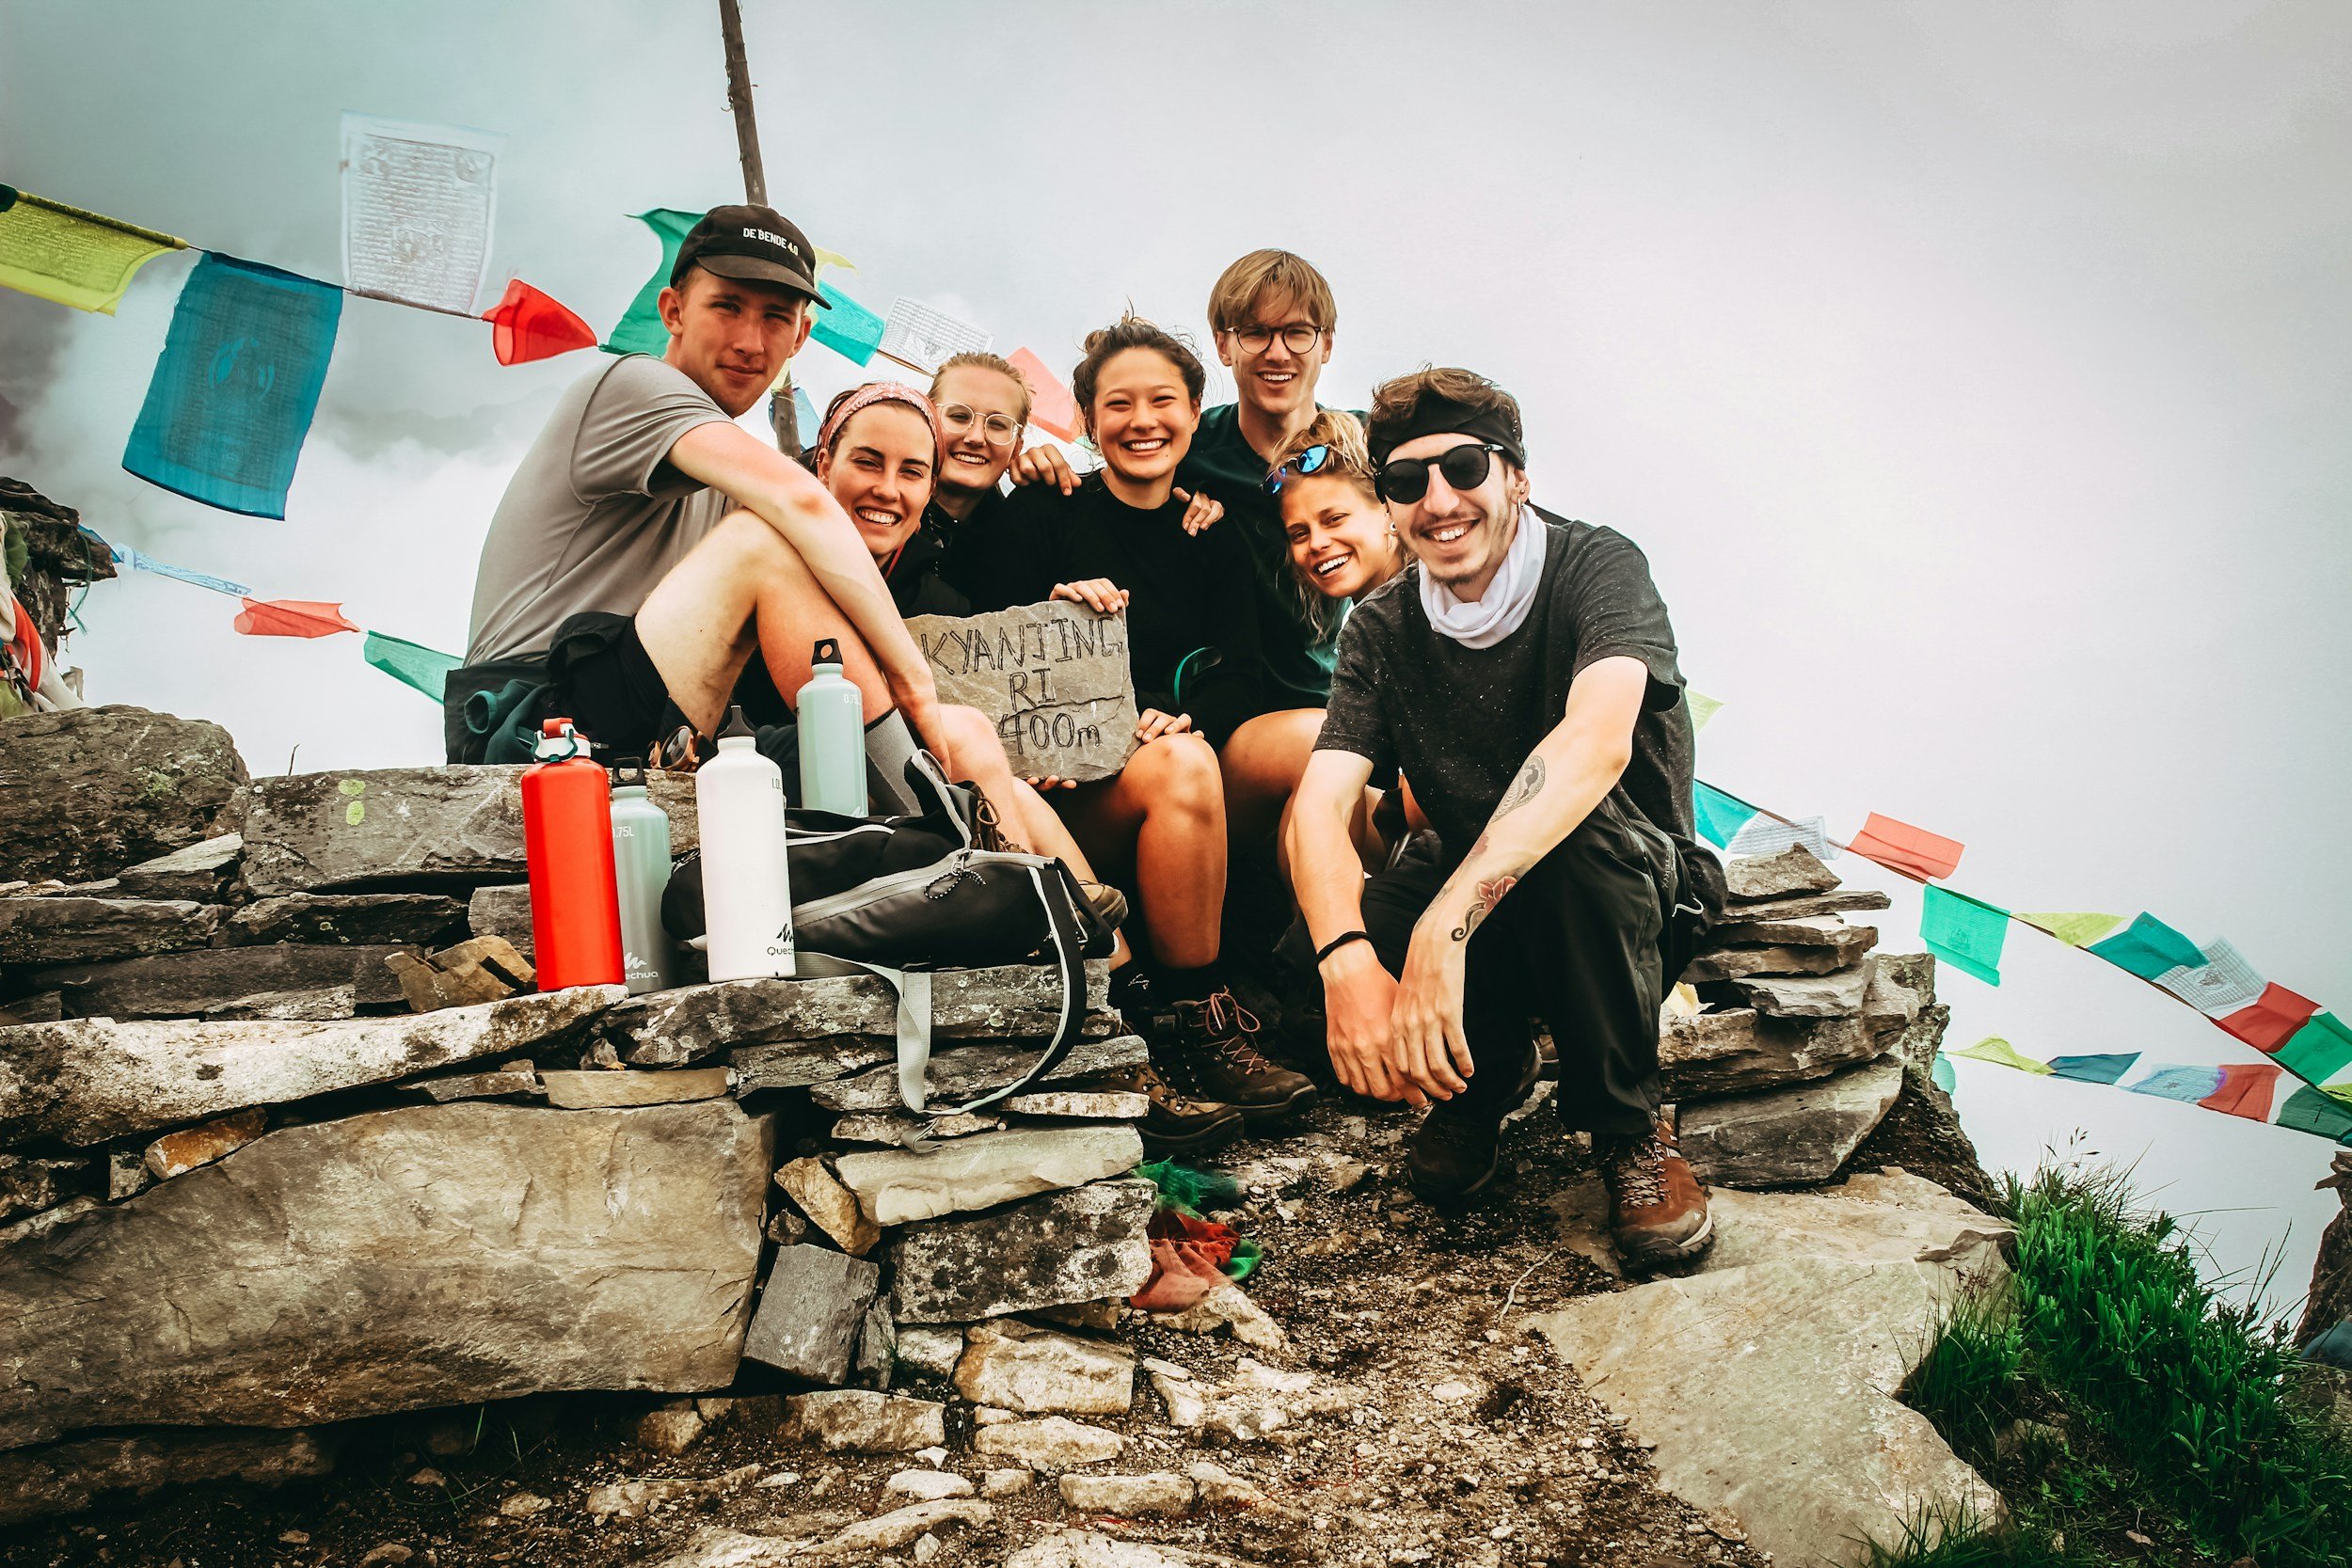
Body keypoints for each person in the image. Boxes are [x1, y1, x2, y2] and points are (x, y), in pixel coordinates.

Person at [1285, 366, 1724, 1272]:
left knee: (1568, 842)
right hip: (1472, 874)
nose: (1438, 500)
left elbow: (1595, 744)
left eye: (1464, 468)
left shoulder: (1595, 566)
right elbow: (1318, 806)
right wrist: (1344, 963)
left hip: (1625, 880)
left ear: (1516, 475)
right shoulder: (1381, 625)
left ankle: (1629, 1128)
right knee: (1331, 937)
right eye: (1407, 482)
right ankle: (1482, 1079)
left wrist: (1446, 931)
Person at [448, 204, 1034, 841]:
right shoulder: (629, 385)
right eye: (727, 306)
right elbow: (806, 503)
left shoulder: (730, 469)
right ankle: (953, 845)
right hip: (532, 721)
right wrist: (911, 680)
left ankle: (1074, 923)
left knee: (964, 736)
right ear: (673, 311)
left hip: (664, 726)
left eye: (776, 318)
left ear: (799, 338)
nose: (751, 341)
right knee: (769, 543)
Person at [810, 375, 1247, 1156]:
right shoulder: (797, 553)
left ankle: (1141, 1014)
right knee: (990, 763)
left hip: (974, 781)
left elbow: (1001, 678)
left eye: (910, 471)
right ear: (820, 464)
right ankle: (1124, 1018)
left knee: (1026, 783)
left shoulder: (940, 575)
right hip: (836, 788)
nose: (891, 487)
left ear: (1020, 442)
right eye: (869, 464)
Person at [964, 317, 1316, 1128]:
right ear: (1088, 420)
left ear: (1196, 414)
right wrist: (1046, 620)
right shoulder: (1041, 513)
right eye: (1118, 404)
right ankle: (1162, 1021)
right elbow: (981, 656)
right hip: (1051, 788)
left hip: (1156, 773)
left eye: (1163, 400)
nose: (1142, 420)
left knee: (1189, 756)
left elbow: (1243, 673)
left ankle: (1199, 1028)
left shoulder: (1212, 531)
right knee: (1182, 764)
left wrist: (1180, 714)